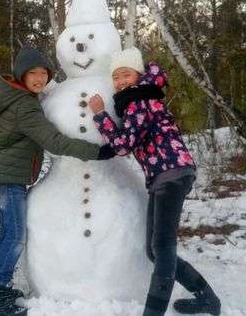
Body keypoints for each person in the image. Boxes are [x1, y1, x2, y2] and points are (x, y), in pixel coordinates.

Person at [0, 47, 115, 316]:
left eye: (44, 73)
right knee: (16, 235)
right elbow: (53, 140)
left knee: (8, 231)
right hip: (10, 178)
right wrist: (97, 151)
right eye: (33, 73)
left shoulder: (20, 97)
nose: (40, 78)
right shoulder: (24, 106)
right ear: (22, 75)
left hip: (7, 174)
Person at [89, 47, 221, 316]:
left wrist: (101, 115)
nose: (121, 81)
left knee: (161, 248)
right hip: (165, 175)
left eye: (126, 74)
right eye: (116, 77)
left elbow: (124, 145)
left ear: (137, 75)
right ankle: (207, 298)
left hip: (171, 173)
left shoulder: (139, 101)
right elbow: (130, 140)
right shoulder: (138, 98)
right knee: (155, 249)